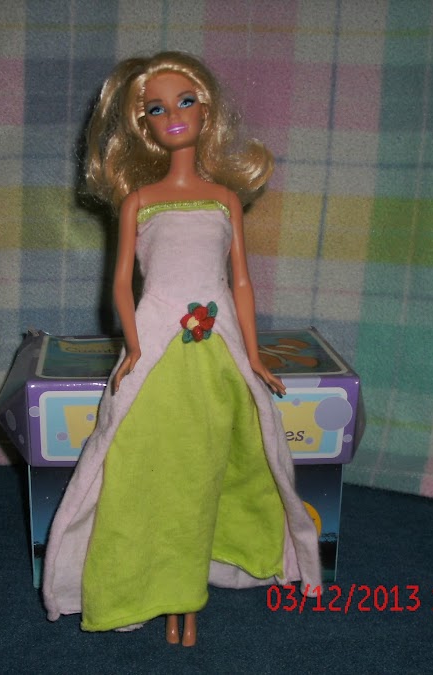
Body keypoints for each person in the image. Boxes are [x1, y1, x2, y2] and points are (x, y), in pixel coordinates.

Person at [42, 51, 321, 647]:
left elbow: (241, 283)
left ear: (206, 111)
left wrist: (254, 355)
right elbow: (121, 283)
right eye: (156, 108)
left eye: (185, 102)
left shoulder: (224, 199)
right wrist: (134, 347)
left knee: (214, 465)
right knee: (146, 465)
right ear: (143, 124)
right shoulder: (138, 201)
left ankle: (193, 589)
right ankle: (153, 587)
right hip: (159, 350)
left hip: (217, 353)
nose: (173, 115)